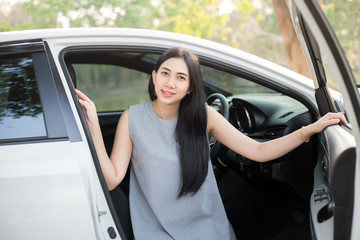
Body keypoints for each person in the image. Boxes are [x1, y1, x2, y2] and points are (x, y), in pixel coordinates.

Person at [76, 47, 348, 240]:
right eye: (165, 73)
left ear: (191, 87)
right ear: (154, 76)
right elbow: (111, 179)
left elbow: (258, 151)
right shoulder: (131, 117)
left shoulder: (205, 116)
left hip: (209, 230)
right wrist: (93, 127)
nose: (170, 83)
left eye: (180, 77)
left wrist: (310, 129)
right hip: (156, 232)